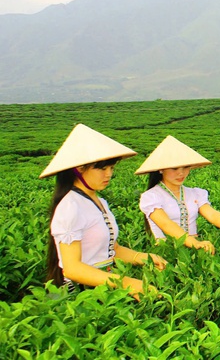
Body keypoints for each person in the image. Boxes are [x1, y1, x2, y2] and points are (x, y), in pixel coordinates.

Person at [42, 124, 166, 298]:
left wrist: (145, 257)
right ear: (79, 169)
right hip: (82, 294)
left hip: (106, 284)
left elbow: (112, 249)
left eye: (111, 168)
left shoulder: (100, 202)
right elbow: (72, 268)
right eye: (102, 168)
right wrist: (127, 283)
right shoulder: (70, 206)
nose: (108, 174)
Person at [136, 136, 220, 254]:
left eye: (185, 167)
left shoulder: (194, 193)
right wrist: (194, 243)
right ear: (161, 169)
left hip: (195, 250)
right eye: (174, 168)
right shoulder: (151, 197)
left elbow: (212, 214)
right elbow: (165, 223)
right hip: (166, 251)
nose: (181, 173)